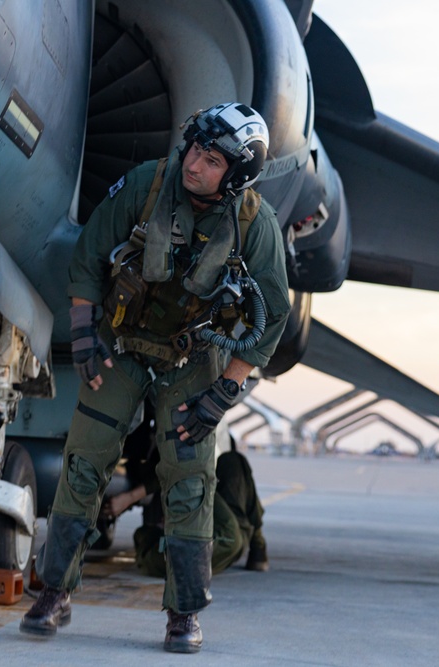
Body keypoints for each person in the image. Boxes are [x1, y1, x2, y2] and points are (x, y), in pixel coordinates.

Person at [19, 102, 291, 653]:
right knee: (83, 461)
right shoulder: (147, 185)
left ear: (234, 174)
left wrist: (225, 391)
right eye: (195, 148)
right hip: (121, 348)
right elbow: (90, 256)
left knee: (190, 482)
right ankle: (54, 592)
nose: (193, 163)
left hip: (193, 364)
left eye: (211, 159)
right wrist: (85, 334)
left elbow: (273, 318)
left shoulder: (252, 226)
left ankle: (184, 612)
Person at [103, 431, 269, 578]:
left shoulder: (155, 555)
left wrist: (132, 500)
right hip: (226, 536)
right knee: (226, 463)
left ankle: (258, 549)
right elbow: (189, 472)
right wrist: (130, 498)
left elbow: (142, 534)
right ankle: (258, 546)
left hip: (201, 537)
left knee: (194, 470)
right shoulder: (225, 541)